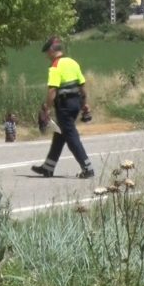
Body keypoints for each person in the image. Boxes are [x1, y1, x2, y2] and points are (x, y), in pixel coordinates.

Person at [31, 36, 95, 179]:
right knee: (60, 134)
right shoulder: (73, 62)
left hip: (64, 106)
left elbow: (52, 90)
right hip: (76, 103)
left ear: (52, 51)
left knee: (71, 136)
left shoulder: (55, 66)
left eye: (47, 52)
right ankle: (48, 168)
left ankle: (87, 168)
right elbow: (82, 86)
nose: (47, 56)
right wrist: (84, 104)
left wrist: (46, 108)